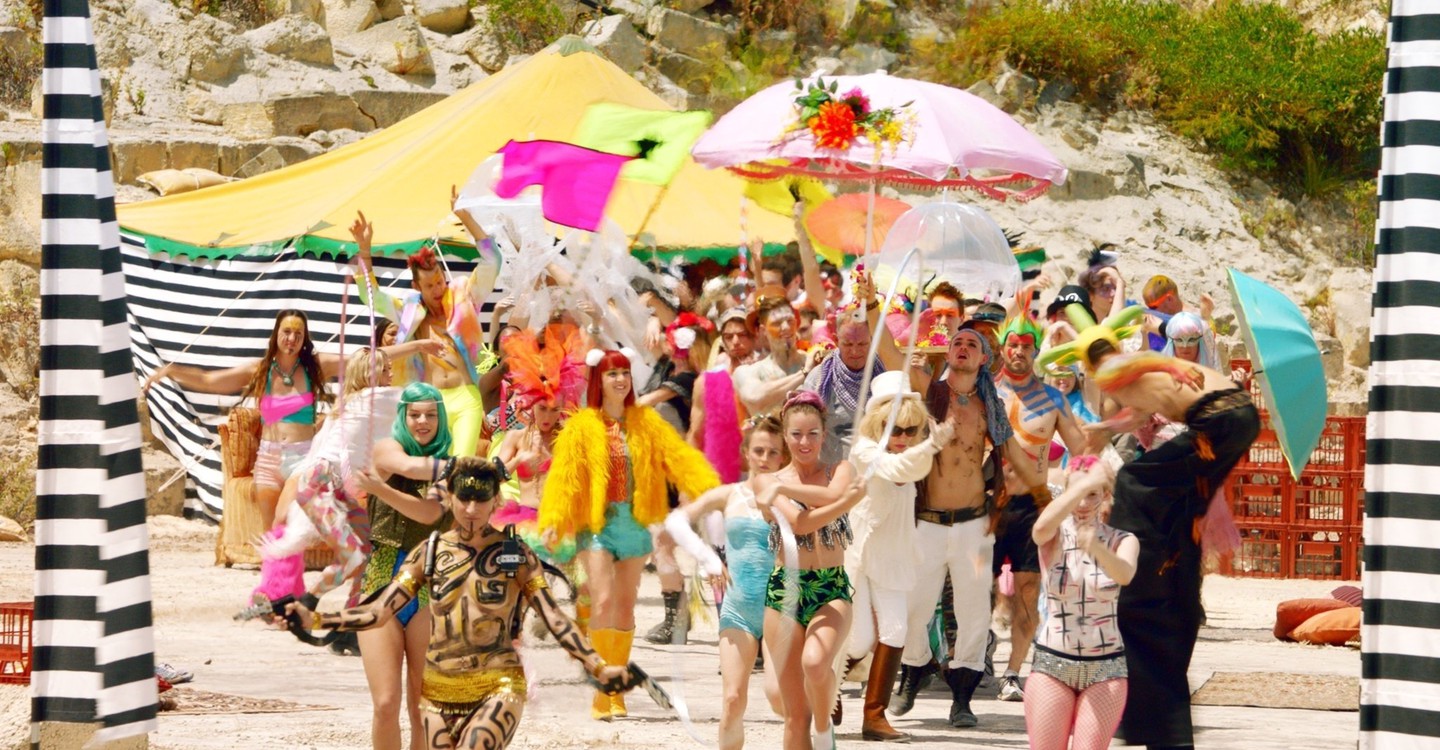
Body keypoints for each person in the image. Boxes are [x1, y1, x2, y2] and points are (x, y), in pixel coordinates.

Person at [288, 457, 634, 750]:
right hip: (438, 693)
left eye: (481, 500)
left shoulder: (515, 555)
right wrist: (316, 620)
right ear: (449, 498)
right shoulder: (430, 553)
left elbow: (554, 618)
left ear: (495, 501)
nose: (471, 509)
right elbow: (379, 611)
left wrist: (598, 666)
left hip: (498, 684)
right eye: (464, 498)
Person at [1037, 305, 1260, 749]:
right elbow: (1139, 415)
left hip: (1217, 421)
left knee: (1135, 481)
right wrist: (1104, 428)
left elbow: (1144, 367)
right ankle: (1176, 566)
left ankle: (1138, 573)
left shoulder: (1112, 368)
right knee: (1184, 510)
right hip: (1234, 419)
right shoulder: (1133, 377)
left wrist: (1167, 366)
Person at [539, 349, 720, 720]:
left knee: (624, 605)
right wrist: (554, 518)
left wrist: (711, 490)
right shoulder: (580, 426)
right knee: (602, 600)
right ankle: (601, 687)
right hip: (597, 525)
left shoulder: (646, 421)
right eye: (612, 374)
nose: (620, 380)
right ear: (599, 380)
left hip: (635, 524)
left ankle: (617, 686)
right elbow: (563, 477)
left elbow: (679, 458)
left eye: (624, 373)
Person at [142, 309, 437, 529]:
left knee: (284, 518)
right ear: (276, 335)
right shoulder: (261, 370)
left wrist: (418, 346)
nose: (292, 339)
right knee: (272, 533)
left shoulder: (315, 366)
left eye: (298, 334)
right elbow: (210, 381)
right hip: (268, 460)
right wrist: (170, 371)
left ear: (304, 338)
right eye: (286, 332)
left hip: (302, 458)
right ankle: (276, 588)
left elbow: (370, 357)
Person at [890, 322, 1049, 730]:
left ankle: (962, 698)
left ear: (983, 359)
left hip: (974, 526)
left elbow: (1014, 453)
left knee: (974, 612)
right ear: (948, 354)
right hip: (928, 522)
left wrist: (1048, 498)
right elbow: (891, 356)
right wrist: (871, 304)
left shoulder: (989, 406)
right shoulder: (930, 392)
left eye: (971, 344)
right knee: (914, 606)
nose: (962, 347)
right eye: (957, 342)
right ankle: (914, 669)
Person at [662, 416, 789, 750]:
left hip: (779, 608)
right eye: (758, 450)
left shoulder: (790, 497)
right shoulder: (730, 494)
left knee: (780, 697)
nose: (765, 458)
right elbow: (676, 521)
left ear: (782, 457)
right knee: (732, 699)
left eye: (773, 452)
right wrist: (708, 558)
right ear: (746, 453)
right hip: (738, 608)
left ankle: (817, 732)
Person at [845, 372, 956, 742]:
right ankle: (824, 689)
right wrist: (931, 446)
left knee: (897, 631)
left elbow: (911, 465)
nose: (903, 438)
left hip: (894, 554)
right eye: (896, 429)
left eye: (911, 430)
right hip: (860, 553)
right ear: (878, 424)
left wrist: (928, 446)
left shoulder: (912, 454)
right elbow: (896, 469)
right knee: (858, 641)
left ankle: (874, 717)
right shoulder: (863, 450)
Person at [755, 390, 865, 750]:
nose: (805, 442)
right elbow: (800, 524)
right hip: (784, 591)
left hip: (829, 588)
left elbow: (832, 494)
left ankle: (823, 729)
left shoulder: (839, 470)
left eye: (813, 434)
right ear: (785, 437)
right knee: (793, 717)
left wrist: (834, 497)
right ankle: (811, 727)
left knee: (816, 664)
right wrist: (846, 501)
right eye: (797, 434)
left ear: (824, 434)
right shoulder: (767, 480)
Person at [352, 199, 502, 459]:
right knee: (433, 470)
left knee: (461, 465)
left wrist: (465, 217)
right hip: (430, 403)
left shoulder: (464, 298)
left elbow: (493, 261)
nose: (437, 289)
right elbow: (370, 295)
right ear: (416, 287)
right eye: (429, 286)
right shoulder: (409, 312)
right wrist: (364, 251)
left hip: (466, 396)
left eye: (440, 282)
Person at [352, 382, 457, 750]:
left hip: (429, 586)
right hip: (381, 583)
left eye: (430, 415)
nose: (422, 421)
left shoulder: (447, 467)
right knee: (385, 703)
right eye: (414, 414)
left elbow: (429, 513)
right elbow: (409, 468)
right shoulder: (387, 448)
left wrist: (379, 490)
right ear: (403, 417)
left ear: (440, 419)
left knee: (422, 707)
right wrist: (459, 466)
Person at [992, 313, 1091, 703]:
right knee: (977, 589)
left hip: (1032, 505)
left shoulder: (1052, 398)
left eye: (1026, 346)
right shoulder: (987, 392)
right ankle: (972, 658)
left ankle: (1013, 671)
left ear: (1036, 351)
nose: (1018, 351)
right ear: (1002, 348)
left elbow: (1081, 448)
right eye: (1013, 344)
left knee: (1029, 590)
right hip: (987, 502)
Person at [1025, 456, 1138, 750]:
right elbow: (1039, 530)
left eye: (1092, 494)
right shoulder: (1053, 534)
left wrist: (1097, 548)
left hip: (1106, 668)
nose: (1083, 503)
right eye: (1077, 494)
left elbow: (1124, 574)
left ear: (1106, 495)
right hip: (1053, 663)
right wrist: (1083, 484)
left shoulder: (1123, 540)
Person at [638, 314, 716, 645]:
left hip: (686, 474)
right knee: (662, 543)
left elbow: (642, 403)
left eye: (677, 340)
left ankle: (680, 619)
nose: (670, 344)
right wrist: (653, 319)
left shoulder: (686, 380)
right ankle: (677, 618)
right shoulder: (667, 371)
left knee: (678, 545)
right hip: (666, 474)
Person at [803, 269, 911, 465]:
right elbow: (805, 428)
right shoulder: (819, 379)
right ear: (836, 339)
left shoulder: (888, 374)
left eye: (862, 344)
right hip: (834, 473)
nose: (855, 351)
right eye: (847, 344)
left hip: (879, 471)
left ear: (872, 339)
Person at [733, 289, 827, 417]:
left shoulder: (815, 362)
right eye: (776, 323)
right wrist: (804, 373)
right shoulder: (748, 372)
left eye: (790, 321)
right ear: (763, 330)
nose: (786, 327)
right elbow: (755, 397)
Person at [691, 307, 757, 483]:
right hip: (724, 473)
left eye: (742, 335)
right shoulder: (707, 382)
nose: (735, 341)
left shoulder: (767, 372)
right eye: (729, 337)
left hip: (765, 468)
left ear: (754, 336)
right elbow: (696, 434)